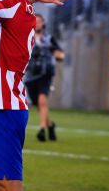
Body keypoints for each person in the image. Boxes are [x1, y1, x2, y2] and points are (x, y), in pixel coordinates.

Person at [24, 14, 64, 142]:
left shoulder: (49, 39)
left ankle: (42, 130)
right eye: (36, 21)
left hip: (45, 74)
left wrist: (57, 54)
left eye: (40, 21)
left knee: (42, 102)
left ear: (43, 23)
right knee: (39, 105)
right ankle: (50, 125)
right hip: (30, 76)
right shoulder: (26, 37)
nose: (38, 24)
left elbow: (60, 54)